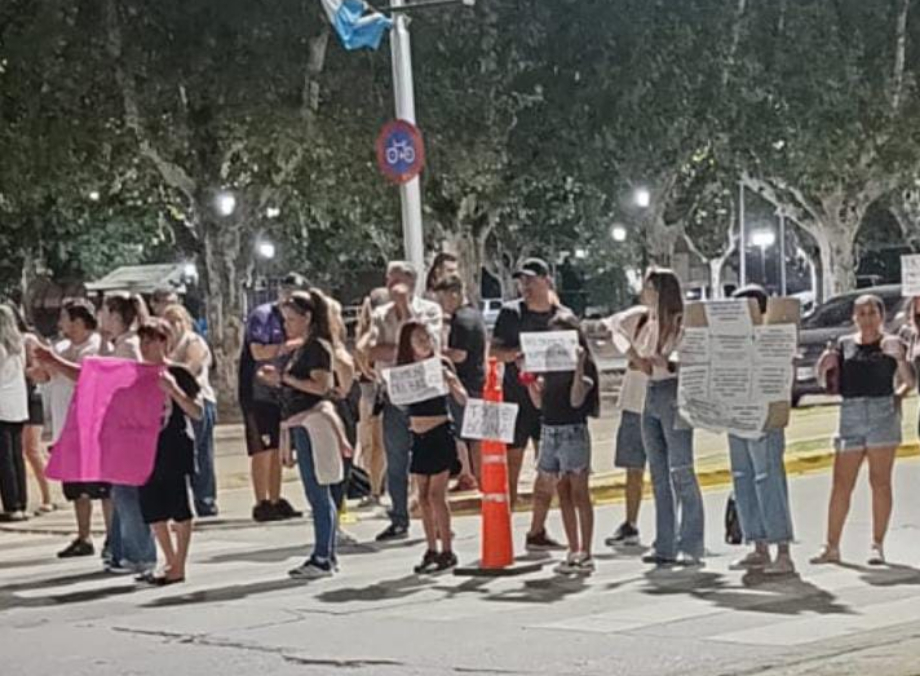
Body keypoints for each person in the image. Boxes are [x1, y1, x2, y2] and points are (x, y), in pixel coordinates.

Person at [811, 294, 914, 566]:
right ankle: (831, 545)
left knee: (880, 481)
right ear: (854, 317)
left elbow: (909, 380)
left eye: (872, 312)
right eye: (862, 313)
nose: (867, 318)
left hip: (882, 412)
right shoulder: (844, 344)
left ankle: (877, 545)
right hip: (851, 413)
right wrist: (823, 366)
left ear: (881, 316)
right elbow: (825, 382)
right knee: (842, 483)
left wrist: (899, 369)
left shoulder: (891, 343)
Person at [259, 290, 344, 580]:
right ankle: (325, 553)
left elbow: (321, 385)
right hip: (302, 421)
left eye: (291, 320)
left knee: (318, 490)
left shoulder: (317, 347)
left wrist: (285, 378)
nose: (287, 326)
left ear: (307, 317)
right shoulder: (305, 346)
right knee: (317, 490)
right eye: (285, 320)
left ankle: (323, 556)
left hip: (314, 422)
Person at [360, 262, 443, 542]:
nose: (390, 285)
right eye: (388, 279)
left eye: (396, 280)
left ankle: (436, 518)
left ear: (410, 282)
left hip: (425, 395)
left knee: (431, 459)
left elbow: (428, 347)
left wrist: (405, 309)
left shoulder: (429, 310)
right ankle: (398, 517)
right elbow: (373, 350)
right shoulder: (380, 314)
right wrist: (404, 349)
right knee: (396, 458)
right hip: (394, 394)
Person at [490, 258, 568, 552]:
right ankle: (502, 534)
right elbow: (495, 351)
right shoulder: (511, 313)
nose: (526, 287)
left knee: (549, 469)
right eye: (522, 281)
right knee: (511, 466)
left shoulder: (561, 316)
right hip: (516, 400)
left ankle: (537, 529)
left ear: (547, 280)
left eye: (531, 280)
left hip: (551, 403)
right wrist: (519, 354)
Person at [632, 268, 705, 567]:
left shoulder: (679, 323)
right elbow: (645, 363)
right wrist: (637, 358)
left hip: (674, 392)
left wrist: (666, 362)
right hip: (651, 391)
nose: (645, 294)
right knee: (659, 474)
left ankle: (691, 543)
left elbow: (689, 361)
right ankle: (664, 543)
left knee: (682, 470)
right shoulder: (648, 322)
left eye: (650, 289)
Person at [725, 285, 796, 575]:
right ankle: (758, 545)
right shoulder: (730, 342)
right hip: (737, 416)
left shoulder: (772, 339)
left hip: (764, 417)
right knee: (743, 478)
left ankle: (782, 550)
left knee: (769, 479)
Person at [527, 315, 600, 574]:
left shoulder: (584, 365)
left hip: (573, 431)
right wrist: (529, 380)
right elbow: (539, 403)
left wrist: (578, 366)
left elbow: (576, 400)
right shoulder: (549, 366)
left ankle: (586, 551)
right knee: (563, 491)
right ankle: (573, 548)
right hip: (550, 430)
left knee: (580, 492)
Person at [38, 299, 108, 558]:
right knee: (76, 487)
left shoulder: (96, 345)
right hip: (64, 426)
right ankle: (83, 536)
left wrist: (54, 361)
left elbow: (85, 375)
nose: (60, 323)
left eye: (64, 318)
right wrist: (41, 366)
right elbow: (47, 374)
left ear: (78, 321)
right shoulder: (62, 347)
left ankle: (113, 537)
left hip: (89, 426)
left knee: (101, 486)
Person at [136, 319, 203, 586]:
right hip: (144, 449)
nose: (144, 347)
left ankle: (180, 563)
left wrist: (174, 391)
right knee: (153, 509)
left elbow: (197, 411)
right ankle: (170, 559)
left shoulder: (178, 373)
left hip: (173, 446)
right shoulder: (135, 375)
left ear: (164, 342)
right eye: (142, 342)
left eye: (150, 341)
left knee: (180, 506)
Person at [238, 272, 309, 522]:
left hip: (280, 390)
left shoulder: (298, 317)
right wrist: (291, 344)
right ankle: (261, 501)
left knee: (278, 447)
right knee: (262, 448)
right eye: (286, 292)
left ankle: (276, 498)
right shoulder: (263, 315)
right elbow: (257, 351)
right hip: (258, 391)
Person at [397, 321, 467, 573]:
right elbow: (400, 402)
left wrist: (451, 381)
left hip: (439, 433)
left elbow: (463, 398)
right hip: (419, 436)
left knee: (437, 495)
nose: (424, 343)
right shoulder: (406, 370)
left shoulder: (441, 364)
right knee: (423, 496)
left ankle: (447, 548)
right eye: (418, 339)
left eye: (427, 338)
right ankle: (431, 548)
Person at [99, 294, 157, 574]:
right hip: (120, 427)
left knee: (127, 493)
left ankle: (140, 554)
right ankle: (121, 550)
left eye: (104, 311)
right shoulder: (120, 344)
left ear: (115, 314)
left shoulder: (129, 347)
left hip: (128, 429)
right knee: (120, 492)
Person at [162, 303, 219, 517]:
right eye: (168, 321)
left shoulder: (193, 341)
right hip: (175, 404)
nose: (173, 325)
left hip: (198, 400)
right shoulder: (166, 345)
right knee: (182, 454)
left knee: (200, 454)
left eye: (177, 320)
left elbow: (190, 369)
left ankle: (205, 500)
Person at [603, 301, 651, 548]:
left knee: (670, 470)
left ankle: (675, 528)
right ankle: (630, 524)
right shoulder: (640, 316)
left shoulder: (675, 321)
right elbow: (610, 326)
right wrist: (633, 354)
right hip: (634, 403)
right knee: (633, 469)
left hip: (660, 403)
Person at [433, 274, 486, 490]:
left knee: (464, 432)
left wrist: (437, 355)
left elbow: (460, 355)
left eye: (443, 298)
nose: (442, 304)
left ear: (454, 294)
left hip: (465, 383)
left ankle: (471, 476)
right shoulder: (474, 315)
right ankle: (475, 476)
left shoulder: (461, 320)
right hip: (477, 380)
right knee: (474, 432)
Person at [13, 308, 55, 514]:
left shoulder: (27, 339)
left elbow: (40, 371)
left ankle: (48, 495)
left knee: (32, 449)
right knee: (18, 450)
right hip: (15, 396)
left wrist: (16, 370)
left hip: (30, 395)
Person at [354, 288, 389, 507]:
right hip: (377, 389)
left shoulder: (370, 327)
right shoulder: (377, 326)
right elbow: (360, 350)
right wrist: (368, 371)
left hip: (375, 388)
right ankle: (376, 488)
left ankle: (376, 489)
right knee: (377, 443)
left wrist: (366, 370)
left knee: (374, 443)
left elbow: (359, 350)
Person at [0, 305, 29, 522]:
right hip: (18, 404)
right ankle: (21, 500)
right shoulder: (19, 347)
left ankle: (12, 503)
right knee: (17, 455)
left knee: (5, 458)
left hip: (2, 405)